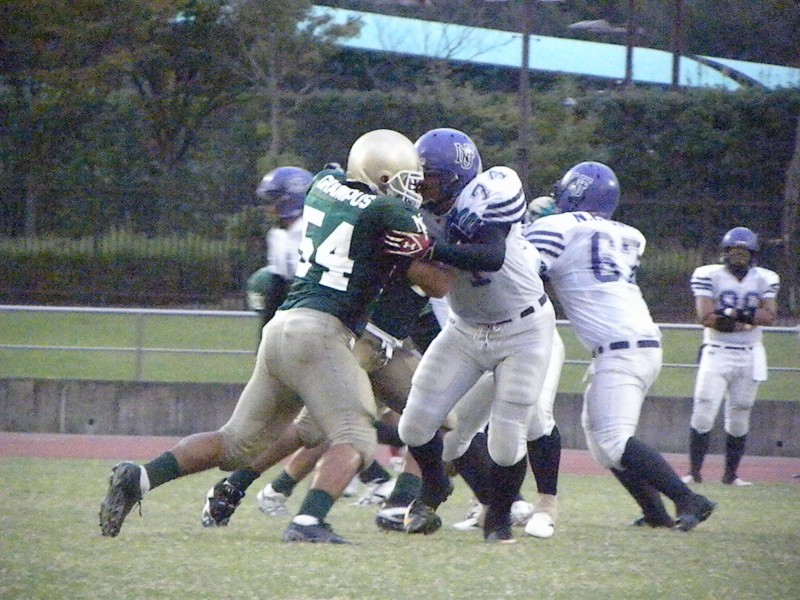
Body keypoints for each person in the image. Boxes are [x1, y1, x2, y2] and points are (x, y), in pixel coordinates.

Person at [99, 129, 440, 544]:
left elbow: (333, 175)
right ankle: (309, 521)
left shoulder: (323, 185)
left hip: (281, 329)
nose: (409, 191)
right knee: (355, 436)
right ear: (380, 177)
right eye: (402, 181)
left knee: (234, 443)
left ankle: (141, 476)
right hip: (322, 333)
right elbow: (430, 267)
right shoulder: (387, 210)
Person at [524, 161, 716, 532]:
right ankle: (655, 512)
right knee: (601, 441)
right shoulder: (629, 234)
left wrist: (526, 227)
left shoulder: (558, 227)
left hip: (621, 347)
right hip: (636, 341)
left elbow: (526, 271)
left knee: (613, 440)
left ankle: (689, 498)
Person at [392, 128, 557, 544]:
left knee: (506, 438)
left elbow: (490, 255)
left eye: (429, 177)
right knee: (414, 425)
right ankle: (434, 484)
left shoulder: (490, 191)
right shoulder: (415, 209)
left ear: (456, 177)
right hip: (465, 329)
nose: (421, 185)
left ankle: (498, 520)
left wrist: (427, 248)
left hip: (522, 329)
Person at [443, 197, 565, 539]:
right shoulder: (459, 240)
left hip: (528, 339)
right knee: (455, 429)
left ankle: (546, 506)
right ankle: (492, 503)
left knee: (533, 416)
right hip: (476, 342)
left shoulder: (520, 249)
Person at [682, 226, 779, 486]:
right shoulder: (708, 275)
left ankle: (731, 475)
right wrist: (748, 319)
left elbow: (769, 316)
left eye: (744, 253)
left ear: (753, 255)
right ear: (725, 252)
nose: (739, 257)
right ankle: (694, 472)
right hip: (716, 351)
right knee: (704, 408)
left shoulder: (765, 278)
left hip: (750, 353)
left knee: (740, 412)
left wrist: (729, 313)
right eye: (734, 251)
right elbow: (706, 317)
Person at [245, 166, 313, 341]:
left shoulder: (311, 232)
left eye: (273, 200)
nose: (268, 207)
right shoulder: (278, 234)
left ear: (291, 201)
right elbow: (279, 285)